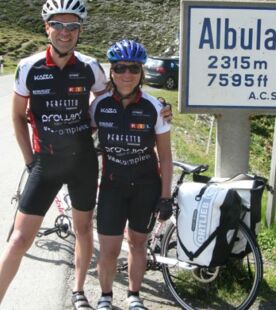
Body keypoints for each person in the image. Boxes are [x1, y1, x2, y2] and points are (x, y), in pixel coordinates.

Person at [0, 1, 172, 309]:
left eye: (73, 26)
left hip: (83, 164)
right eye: (59, 25)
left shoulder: (90, 67)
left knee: (82, 231)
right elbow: (16, 116)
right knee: (18, 240)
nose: (66, 33)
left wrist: (158, 105)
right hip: (46, 164)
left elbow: (116, 95)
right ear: (47, 28)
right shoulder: (29, 67)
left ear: (80, 30)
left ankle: (79, 292)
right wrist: (29, 160)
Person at [89, 39, 173, 310]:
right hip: (112, 186)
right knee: (110, 248)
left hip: (146, 186)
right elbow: (80, 137)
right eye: (121, 68)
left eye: (134, 69)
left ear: (141, 73)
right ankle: (105, 297)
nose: (127, 74)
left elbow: (166, 156)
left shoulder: (154, 108)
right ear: (111, 72)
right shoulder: (99, 105)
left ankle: (134, 296)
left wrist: (165, 196)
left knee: (137, 244)